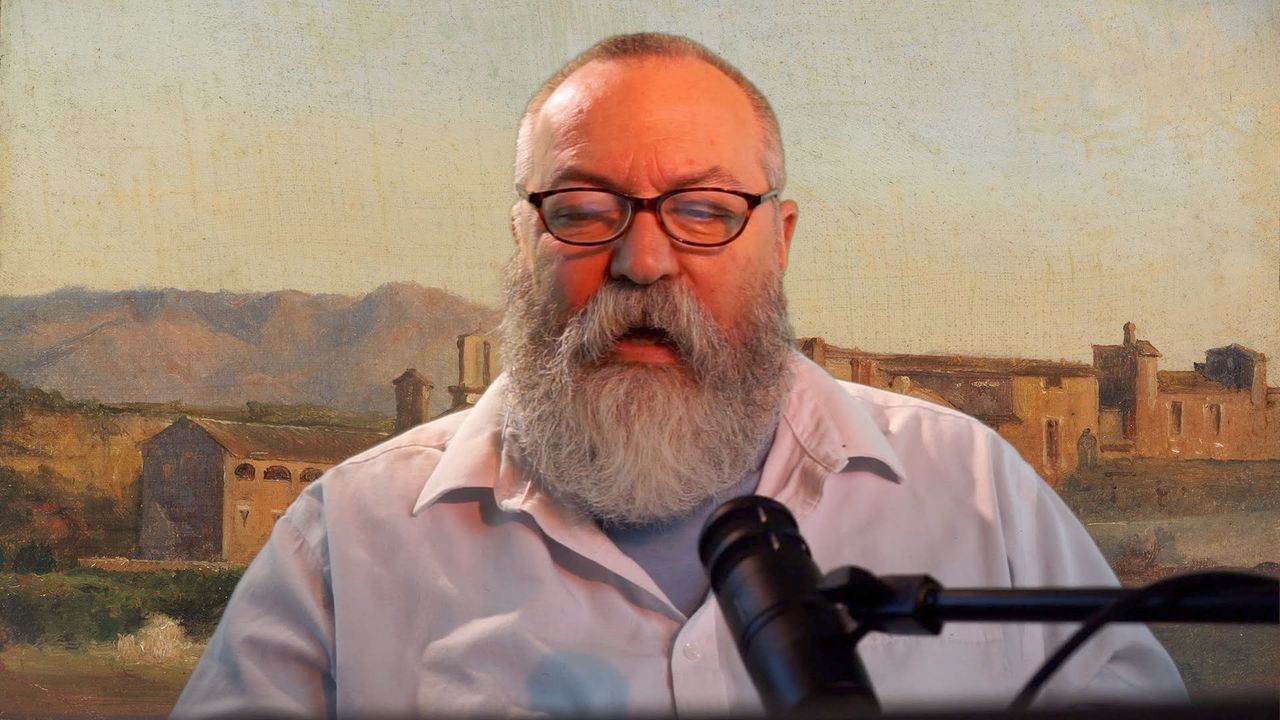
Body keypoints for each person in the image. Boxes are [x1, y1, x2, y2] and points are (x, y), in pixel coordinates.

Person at [173, 33, 1184, 717]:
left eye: (703, 211)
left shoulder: (973, 491)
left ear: (779, 240)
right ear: (522, 238)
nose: (643, 261)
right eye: (582, 209)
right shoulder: (344, 543)